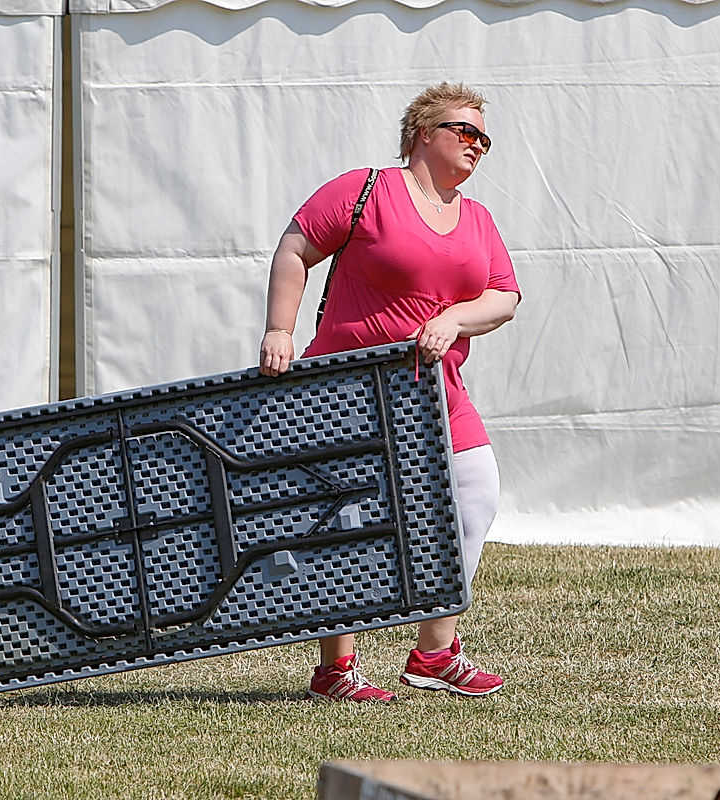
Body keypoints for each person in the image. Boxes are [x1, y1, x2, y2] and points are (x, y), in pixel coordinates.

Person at [258, 82, 521, 702]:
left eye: (484, 137)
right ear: (423, 133)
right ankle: (336, 672)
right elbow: (296, 246)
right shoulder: (365, 190)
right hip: (348, 390)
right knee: (348, 520)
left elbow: (505, 295)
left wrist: (455, 318)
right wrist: (279, 329)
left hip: (435, 390)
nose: (477, 145)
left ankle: (434, 652)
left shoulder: (478, 219)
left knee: (475, 493)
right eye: (465, 131)